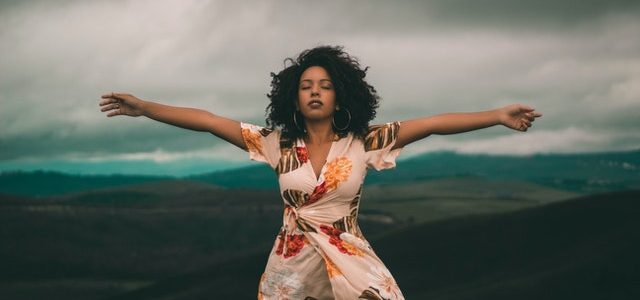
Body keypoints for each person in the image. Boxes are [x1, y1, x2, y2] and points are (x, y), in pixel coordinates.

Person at [99, 45, 542, 299]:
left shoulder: (365, 141)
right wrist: (147, 109)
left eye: (325, 86)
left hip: (349, 255)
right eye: (307, 86)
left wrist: (497, 114)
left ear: (340, 96)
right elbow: (212, 121)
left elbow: (432, 124)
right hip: (291, 263)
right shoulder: (276, 143)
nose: (315, 92)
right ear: (294, 98)